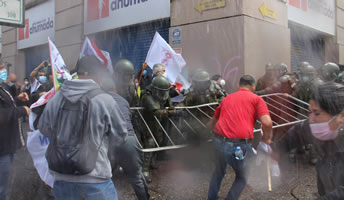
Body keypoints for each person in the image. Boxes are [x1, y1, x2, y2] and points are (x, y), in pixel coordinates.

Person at [38, 55, 128, 200]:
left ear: (78, 73)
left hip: (61, 177)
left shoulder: (56, 99)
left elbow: (43, 129)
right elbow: (120, 136)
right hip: (96, 177)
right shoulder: (105, 100)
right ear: (99, 73)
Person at [207, 75, 273, 200]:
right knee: (242, 176)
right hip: (237, 146)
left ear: (238, 85)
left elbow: (213, 121)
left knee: (219, 171)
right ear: (253, 87)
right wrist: (267, 139)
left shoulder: (227, 98)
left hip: (217, 141)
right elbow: (267, 123)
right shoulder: (257, 99)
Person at [274, 82, 344, 199]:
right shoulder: (314, 126)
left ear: (341, 116)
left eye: (317, 113)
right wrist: (274, 149)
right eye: (309, 112)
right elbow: (297, 132)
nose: (311, 120)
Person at [101, 77, 150, 200]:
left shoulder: (98, 100)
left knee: (103, 177)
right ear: (115, 88)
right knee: (136, 177)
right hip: (129, 140)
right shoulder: (123, 101)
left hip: (109, 142)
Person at [0, 63, 30, 200]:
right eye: (1, 68)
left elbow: (6, 106)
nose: (4, 71)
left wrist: (17, 100)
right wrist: (22, 110)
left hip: (6, 145)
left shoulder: (2, 88)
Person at [140, 75, 177, 183]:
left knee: (158, 141)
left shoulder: (163, 94)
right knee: (150, 143)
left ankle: (152, 162)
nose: (163, 94)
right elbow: (155, 112)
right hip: (145, 123)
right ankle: (144, 170)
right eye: (161, 91)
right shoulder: (147, 96)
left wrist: (171, 108)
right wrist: (169, 112)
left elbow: (168, 104)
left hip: (157, 123)